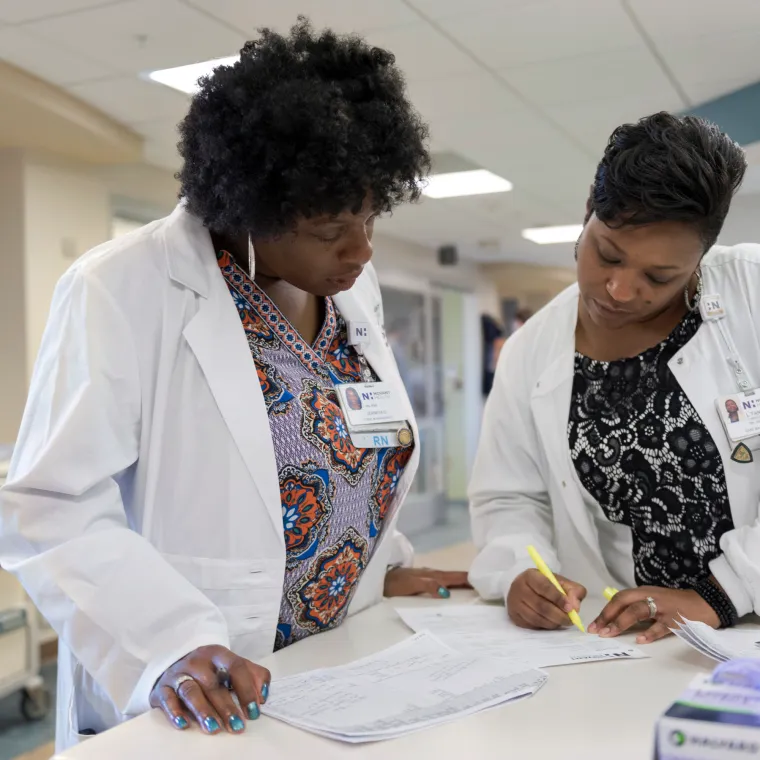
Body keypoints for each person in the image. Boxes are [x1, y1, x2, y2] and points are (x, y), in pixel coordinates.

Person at [0, 20, 469, 750]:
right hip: (204, 683)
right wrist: (165, 645)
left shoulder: (352, 289)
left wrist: (383, 564)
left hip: (338, 664)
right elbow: (47, 505)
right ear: (249, 205)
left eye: (372, 216)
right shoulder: (122, 288)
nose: (362, 250)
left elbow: (344, 451)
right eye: (328, 229)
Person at [469, 112, 760, 647]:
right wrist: (519, 571)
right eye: (607, 254)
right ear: (587, 214)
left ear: (702, 256)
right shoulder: (533, 349)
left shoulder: (751, 291)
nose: (620, 290)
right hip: (619, 639)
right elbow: (509, 498)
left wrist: (723, 593)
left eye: (660, 277)